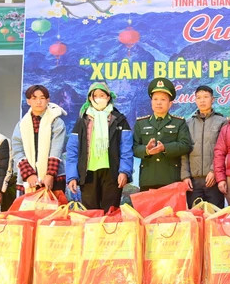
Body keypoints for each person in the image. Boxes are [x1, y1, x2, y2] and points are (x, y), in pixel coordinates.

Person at [66, 82, 134, 210]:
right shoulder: (82, 121)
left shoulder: (119, 120)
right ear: (90, 98)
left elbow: (126, 149)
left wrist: (124, 171)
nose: (98, 98)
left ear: (108, 97)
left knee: (111, 213)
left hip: (112, 174)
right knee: (91, 214)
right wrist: (72, 176)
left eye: (102, 95)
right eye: (95, 96)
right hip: (88, 174)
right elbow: (72, 150)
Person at [133, 78, 192, 191]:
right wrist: (146, 150)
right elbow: (135, 148)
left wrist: (165, 148)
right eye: (155, 99)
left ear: (170, 104)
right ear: (151, 102)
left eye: (163, 99)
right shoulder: (141, 123)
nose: (158, 102)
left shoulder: (179, 122)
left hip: (171, 178)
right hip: (148, 178)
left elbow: (185, 145)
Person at [12, 85, 67, 194]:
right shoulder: (22, 125)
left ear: (48, 100)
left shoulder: (56, 122)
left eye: (42, 98)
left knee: (54, 205)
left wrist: (50, 175)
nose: (38, 102)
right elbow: (17, 149)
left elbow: (57, 149)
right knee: (29, 205)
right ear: (28, 101)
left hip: (54, 176)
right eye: (34, 98)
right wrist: (29, 174)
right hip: (29, 179)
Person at [181, 85, 227, 208]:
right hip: (193, 181)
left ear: (212, 99)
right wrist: (185, 176)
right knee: (195, 216)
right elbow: (184, 152)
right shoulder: (187, 123)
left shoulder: (222, 121)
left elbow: (223, 150)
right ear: (195, 100)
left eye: (206, 97)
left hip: (213, 179)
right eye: (199, 97)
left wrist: (214, 171)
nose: (202, 100)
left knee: (215, 216)